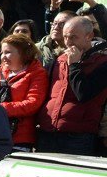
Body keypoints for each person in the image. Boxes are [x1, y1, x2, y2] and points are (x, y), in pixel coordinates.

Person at [36, 16, 107, 156]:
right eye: (66, 37)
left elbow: (83, 93)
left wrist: (74, 65)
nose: (68, 42)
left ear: (89, 36)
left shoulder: (102, 62)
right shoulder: (60, 59)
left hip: (78, 136)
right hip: (47, 131)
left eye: (74, 37)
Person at [0, 34, 49, 151]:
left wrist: (0, 108)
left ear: (23, 53)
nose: (3, 56)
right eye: (2, 52)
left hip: (18, 138)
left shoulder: (37, 73)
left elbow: (33, 103)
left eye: (8, 52)